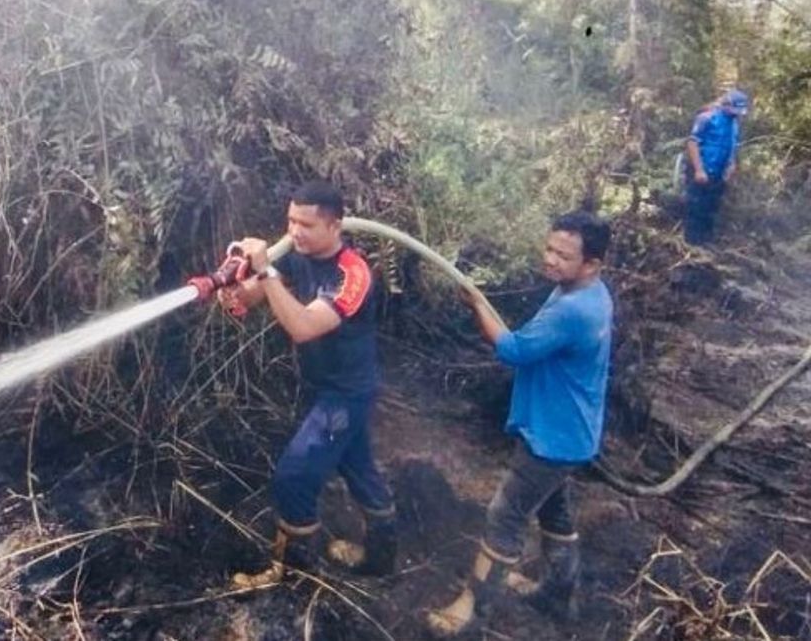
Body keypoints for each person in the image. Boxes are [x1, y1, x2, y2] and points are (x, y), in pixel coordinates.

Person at [426, 211, 613, 637]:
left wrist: (475, 302)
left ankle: (472, 610)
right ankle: (558, 592)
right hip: (572, 431)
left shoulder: (573, 311)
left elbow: (512, 350)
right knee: (554, 509)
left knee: (505, 514)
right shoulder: (590, 292)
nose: (550, 260)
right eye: (549, 248)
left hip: (552, 438)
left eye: (563, 256)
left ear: (592, 265)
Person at [219, 181, 397, 588]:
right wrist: (231, 281)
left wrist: (264, 271)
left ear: (335, 226)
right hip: (322, 385)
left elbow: (303, 327)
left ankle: (291, 576)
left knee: (294, 477)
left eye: (306, 224)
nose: (294, 232)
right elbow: (247, 300)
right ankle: (382, 559)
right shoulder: (299, 254)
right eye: (290, 221)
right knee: (358, 467)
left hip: (346, 394)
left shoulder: (352, 274)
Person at [684, 89, 749, 245]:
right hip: (701, 170)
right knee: (696, 208)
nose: (737, 114)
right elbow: (692, 143)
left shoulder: (733, 123)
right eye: (734, 109)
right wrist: (699, 170)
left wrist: (732, 164)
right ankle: (692, 244)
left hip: (719, 173)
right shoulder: (707, 118)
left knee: (711, 209)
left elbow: (732, 145)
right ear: (726, 104)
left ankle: (707, 243)